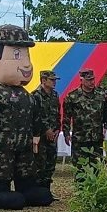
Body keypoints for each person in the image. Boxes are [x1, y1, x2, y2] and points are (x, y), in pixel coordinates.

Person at [0, 25, 52, 209]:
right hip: (2, 146)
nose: (26, 64)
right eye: (16, 55)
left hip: (24, 145)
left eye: (26, 56)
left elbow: (36, 117)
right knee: (1, 172)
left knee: (27, 174)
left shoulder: (26, 95)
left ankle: (27, 188)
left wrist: (39, 134)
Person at [63, 69, 107, 168]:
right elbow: (66, 117)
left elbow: (106, 114)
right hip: (80, 139)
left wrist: (106, 128)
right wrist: (66, 133)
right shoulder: (72, 96)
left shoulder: (101, 95)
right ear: (81, 80)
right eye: (88, 80)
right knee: (80, 168)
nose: (92, 82)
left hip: (96, 138)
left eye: (93, 79)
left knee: (96, 168)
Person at [31, 70, 61, 200]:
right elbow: (35, 116)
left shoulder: (55, 95)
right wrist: (46, 130)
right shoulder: (35, 96)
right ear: (43, 81)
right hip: (41, 136)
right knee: (40, 164)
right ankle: (39, 192)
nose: (54, 82)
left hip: (52, 136)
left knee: (50, 162)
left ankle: (47, 192)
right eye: (51, 80)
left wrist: (56, 130)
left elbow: (57, 114)